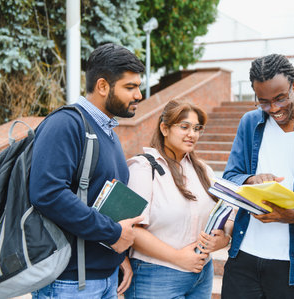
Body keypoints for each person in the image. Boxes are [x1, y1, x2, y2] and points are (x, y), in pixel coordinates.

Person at [29, 43, 145, 298]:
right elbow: (47, 193)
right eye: (130, 87)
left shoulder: (107, 131)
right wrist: (113, 233)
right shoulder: (66, 124)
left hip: (105, 278)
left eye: (138, 86)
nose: (138, 95)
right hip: (69, 283)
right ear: (103, 86)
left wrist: (118, 254)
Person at [221, 54, 294, 299]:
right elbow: (230, 176)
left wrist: (293, 216)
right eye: (263, 101)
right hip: (243, 256)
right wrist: (251, 180)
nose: (274, 108)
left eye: (280, 98)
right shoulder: (250, 122)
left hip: (290, 263)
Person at [124, 99, 233, 299]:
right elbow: (131, 229)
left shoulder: (203, 170)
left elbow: (225, 214)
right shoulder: (143, 168)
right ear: (164, 128)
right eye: (184, 127)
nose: (192, 134)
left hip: (201, 273)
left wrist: (222, 239)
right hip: (156, 275)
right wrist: (178, 258)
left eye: (197, 128)